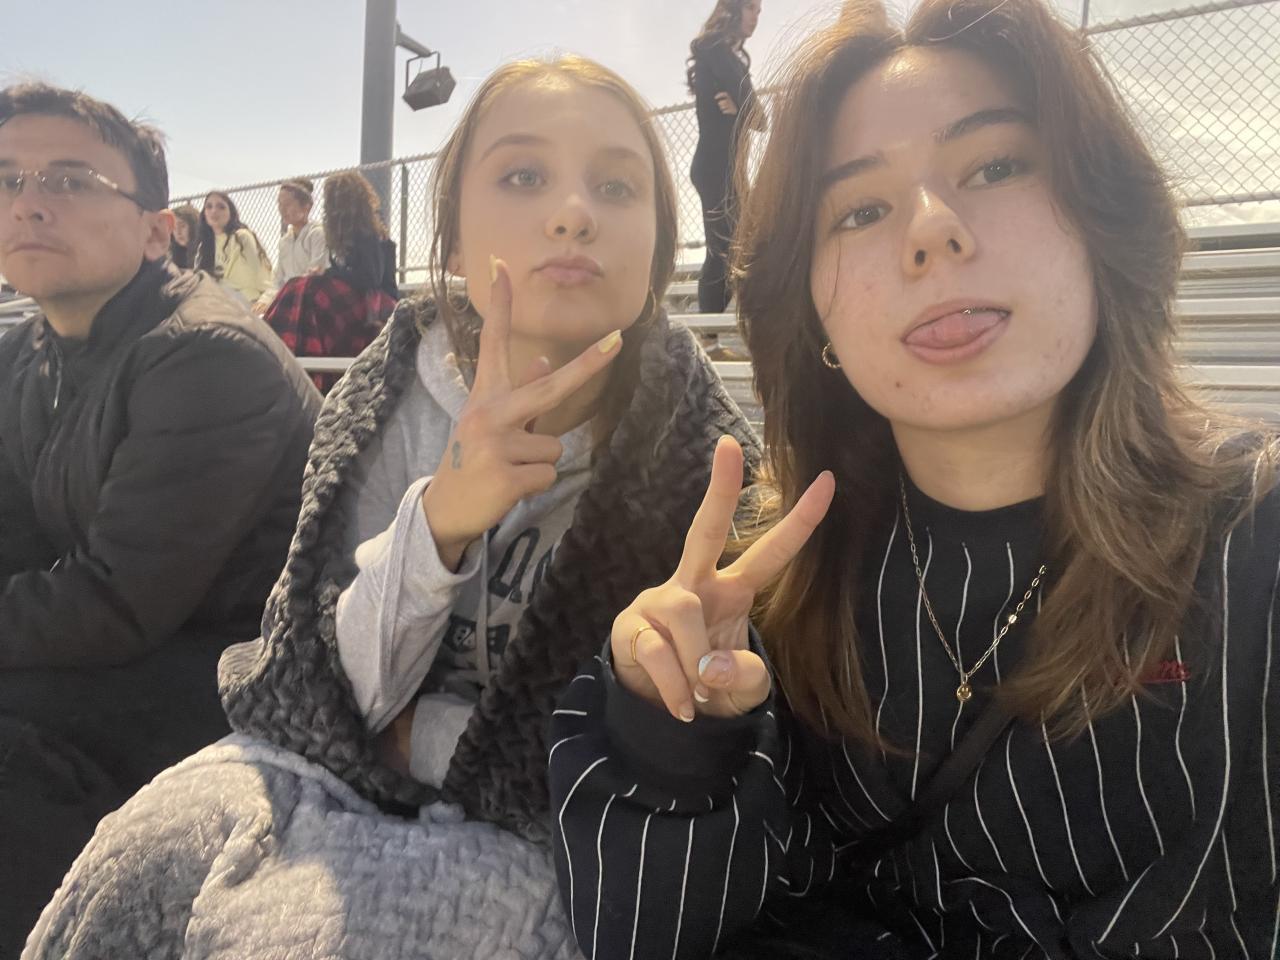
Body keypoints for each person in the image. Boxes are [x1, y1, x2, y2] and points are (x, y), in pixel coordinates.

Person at [550, 0, 1280, 957]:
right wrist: (671, 730)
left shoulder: (1252, 549)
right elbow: (645, 929)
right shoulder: (775, 587)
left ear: (1101, 221)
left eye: (996, 166)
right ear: (815, 317)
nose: (932, 232)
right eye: (860, 210)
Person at [25, 56, 761, 960]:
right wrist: (441, 520)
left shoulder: (702, 459)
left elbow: (650, 777)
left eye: (616, 186)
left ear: (656, 250)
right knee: (135, 857)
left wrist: (433, 736)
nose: (574, 212)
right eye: (524, 176)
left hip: (548, 838)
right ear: (450, 245)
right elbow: (317, 688)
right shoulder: (387, 401)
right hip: (329, 774)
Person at [0, 82, 321, 957]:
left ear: (156, 230)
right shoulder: (26, 350)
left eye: (70, 180)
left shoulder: (206, 354)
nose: (28, 202)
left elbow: (119, 602)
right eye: (8, 178)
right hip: (129, 653)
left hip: (242, 677)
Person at [264, 170, 398, 392]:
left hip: (377, 301)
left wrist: (327, 274)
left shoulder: (369, 232)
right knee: (299, 285)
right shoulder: (340, 234)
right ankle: (279, 347)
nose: (329, 205)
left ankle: (286, 351)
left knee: (310, 288)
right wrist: (326, 273)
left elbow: (370, 278)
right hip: (357, 297)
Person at [687, 0, 764, 319]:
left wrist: (740, 110)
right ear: (732, 8)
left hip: (731, 170)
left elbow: (760, 119)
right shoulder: (715, 50)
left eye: (759, 11)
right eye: (750, 8)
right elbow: (755, 111)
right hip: (714, 167)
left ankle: (722, 329)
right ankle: (709, 336)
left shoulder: (732, 59)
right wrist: (743, 110)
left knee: (739, 247)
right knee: (723, 251)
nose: (755, 17)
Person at [251, 178, 327, 316]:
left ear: (307, 206)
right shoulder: (285, 241)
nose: (282, 209)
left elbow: (315, 276)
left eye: (288, 204)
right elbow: (278, 280)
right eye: (280, 204)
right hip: (286, 300)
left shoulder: (317, 234)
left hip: (308, 302)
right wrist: (265, 300)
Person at [194, 189, 273, 306]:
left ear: (231, 212)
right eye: (209, 207)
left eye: (221, 207)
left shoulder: (241, 237)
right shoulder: (204, 246)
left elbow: (260, 272)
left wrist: (266, 300)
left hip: (246, 300)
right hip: (218, 300)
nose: (214, 211)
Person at [167, 201, 198, 269]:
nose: (178, 232)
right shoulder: (169, 254)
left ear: (193, 227)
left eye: (182, 226)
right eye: (174, 227)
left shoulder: (204, 251)